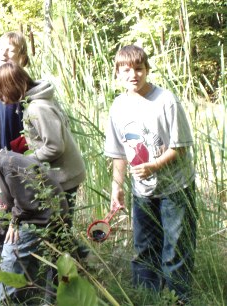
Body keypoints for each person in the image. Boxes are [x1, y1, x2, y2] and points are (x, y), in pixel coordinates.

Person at [104, 45, 197, 304]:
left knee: (175, 248)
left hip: (175, 187)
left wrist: (153, 165)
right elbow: (118, 153)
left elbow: (180, 147)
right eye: (126, 70)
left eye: (138, 69)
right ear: (118, 74)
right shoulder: (118, 106)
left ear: (147, 70)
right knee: (144, 247)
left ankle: (178, 298)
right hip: (142, 190)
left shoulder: (166, 100)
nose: (133, 75)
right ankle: (146, 296)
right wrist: (117, 187)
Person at [0, 122, 68, 303]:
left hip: (39, 219)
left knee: (9, 263)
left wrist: (15, 222)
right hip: (28, 217)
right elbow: (8, 204)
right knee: (30, 271)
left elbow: (27, 201)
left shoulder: (9, 164)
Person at [0, 62, 86, 221]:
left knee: (60, 227)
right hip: (61, 174)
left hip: (64, 177)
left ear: (11, 86)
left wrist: (26, 160)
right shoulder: (33, 102)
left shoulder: (37, 107)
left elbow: (55, 147)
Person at [0, 31, 29, 153]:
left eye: (10, 50)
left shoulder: (22, 87)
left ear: (22, 57)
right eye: (1, 49)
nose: (3, 54)